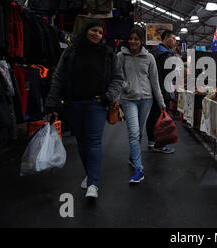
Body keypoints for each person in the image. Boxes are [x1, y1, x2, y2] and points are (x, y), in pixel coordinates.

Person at [45, 21, 124, 199]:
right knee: (81, 142)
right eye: (94, 30)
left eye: (100, 32)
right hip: (74, 103)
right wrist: (52, 103)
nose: (97, 34)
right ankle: (90, 175)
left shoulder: (108, 54)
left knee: (94, 141)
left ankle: (93, 185)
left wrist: (107, 96)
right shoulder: (70, 52)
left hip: (96, 104)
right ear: (85, 31)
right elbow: (58, 77)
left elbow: (118, 79)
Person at [117, 28, 166, 183]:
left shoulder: (149, 57)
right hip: (128, 99)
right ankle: (139, 168)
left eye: (136, 39)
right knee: (134, 132)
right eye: (130, 39)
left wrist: (161, 102)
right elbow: (117, 77)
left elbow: (154, 81)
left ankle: (133, 158)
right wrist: (125, 88)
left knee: (138, 133)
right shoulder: (120, 56)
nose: (133, 42)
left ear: (141, 41)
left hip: (146, 99)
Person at [146, 30, 177, 154]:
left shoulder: (153, 52)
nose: (175, 41)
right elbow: (170, 74)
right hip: (163, 90)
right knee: (162, 117)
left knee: (153, 116)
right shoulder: (167, 55)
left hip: (152, 89)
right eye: (173, 38)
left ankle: (151, 141)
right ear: (165, 39)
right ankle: (159, 144)